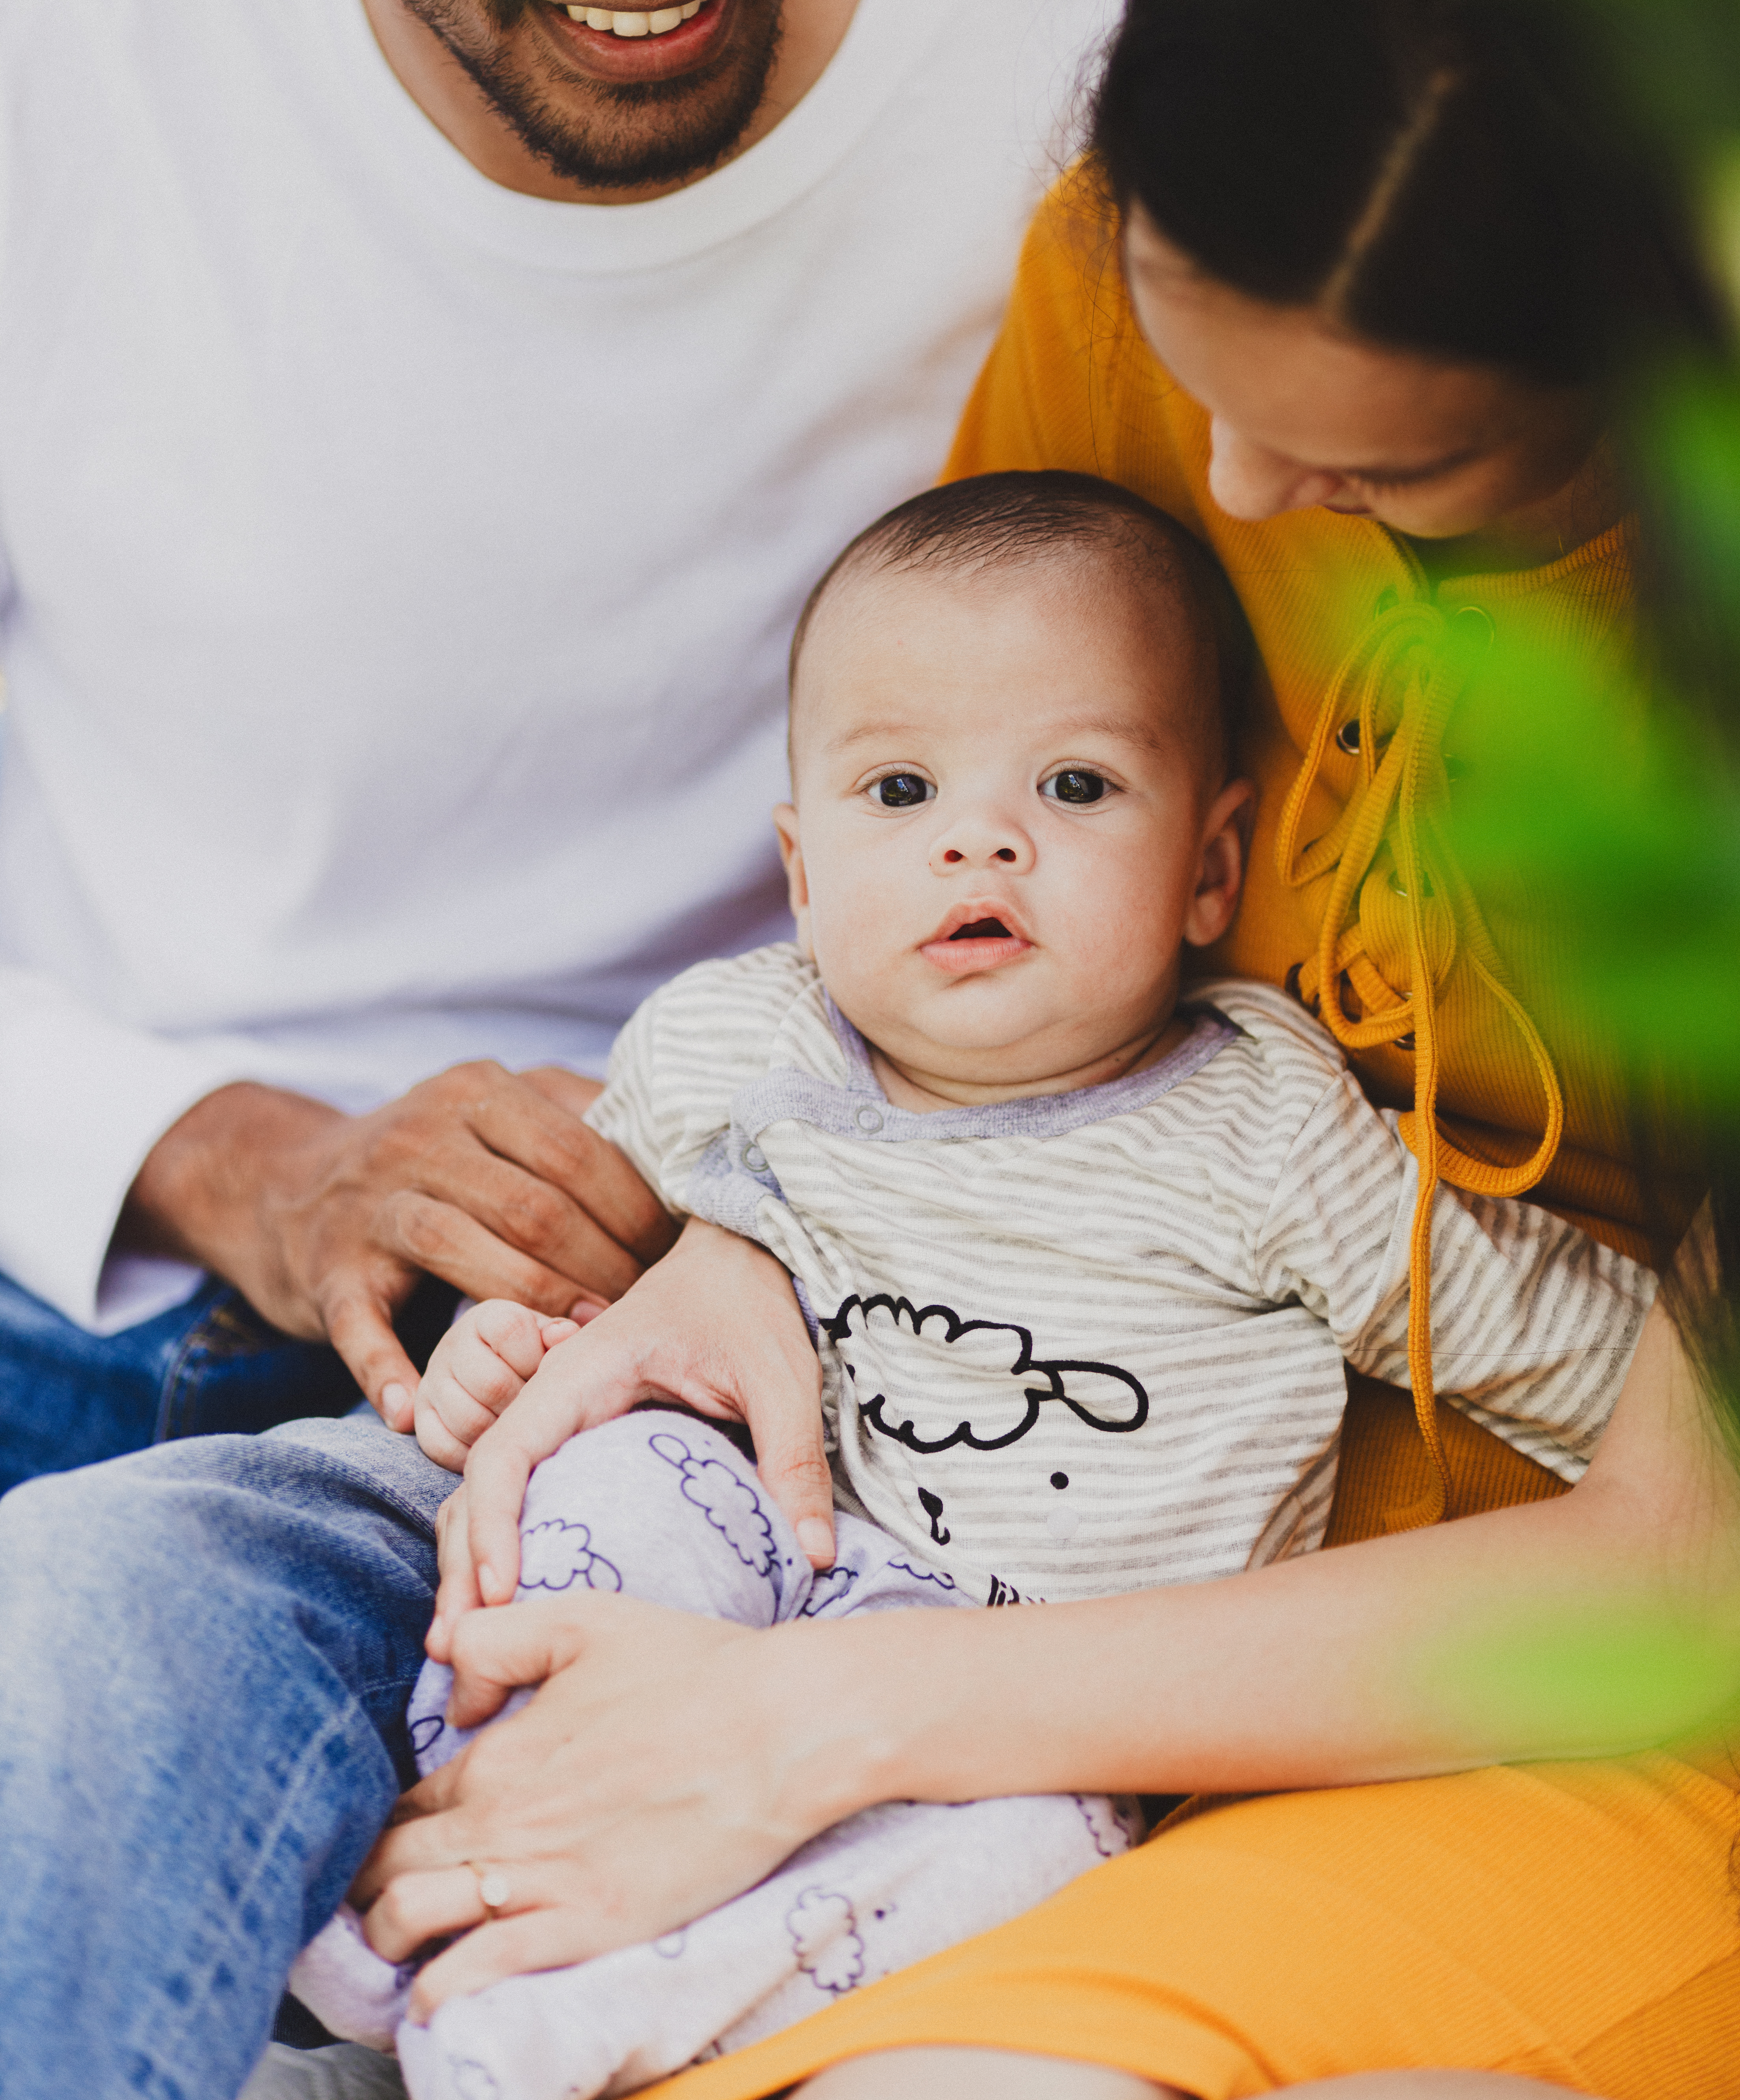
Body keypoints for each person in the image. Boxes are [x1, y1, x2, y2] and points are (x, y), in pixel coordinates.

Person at [327, 0, 1740, 2100]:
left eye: (1399, 474)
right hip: (946, 1540)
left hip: (1577, 1690)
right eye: (1190, 355)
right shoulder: (1143, 275)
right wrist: (744, 1245)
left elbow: (1704, 1583)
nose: (1238, 488)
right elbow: (904, 890)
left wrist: (809, 1729)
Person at [0, 0, 1176, 1489]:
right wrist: (243, 1166)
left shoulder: (1149, 68)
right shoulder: (60, 90)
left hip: (831, 1337)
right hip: (112, 1288)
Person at [296, 470, 1648, 2099]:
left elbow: (1580, 1354)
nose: (979, 835)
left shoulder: (1272, 1140)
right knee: (608, 1473)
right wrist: (511, 1350)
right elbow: (603, 1288)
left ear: (1212, 871)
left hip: (1050, 1711)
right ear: (799, 872)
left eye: (1075, 785)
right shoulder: (738, 1046)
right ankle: (448, 1847)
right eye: (899, 789)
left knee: (1010, 1866)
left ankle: (540, 2018)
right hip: (771, 1560)